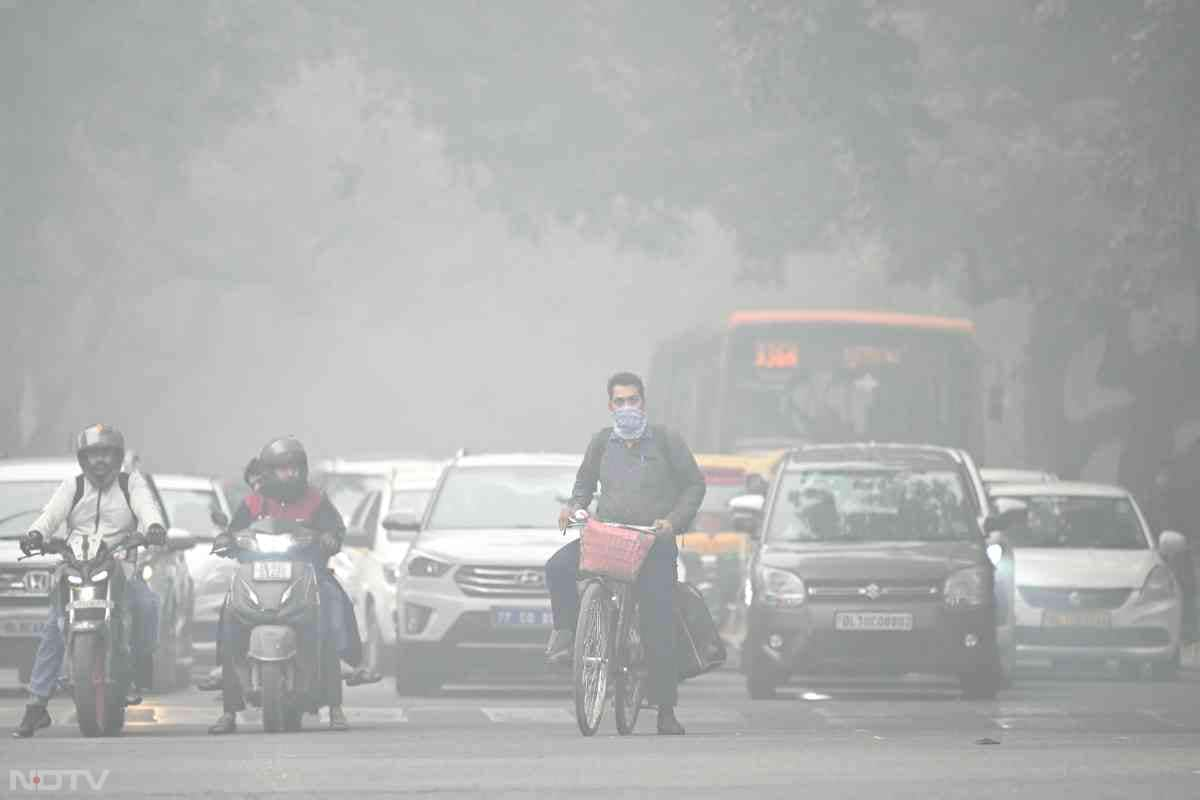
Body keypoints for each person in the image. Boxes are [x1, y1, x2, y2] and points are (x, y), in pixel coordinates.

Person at [545, 372, 705, 736]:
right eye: (620, 402)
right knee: (557, 567)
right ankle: (568, 636)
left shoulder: (666, 441)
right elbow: (584, 482)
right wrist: (575, 506)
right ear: (610, 406)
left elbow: (695, 484)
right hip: (609, 538)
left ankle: (665, 710)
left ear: (643, 403)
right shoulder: (602, 443)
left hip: (653, 543)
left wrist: (674, 521)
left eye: (633, 400)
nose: (627, 408)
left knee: (658, 623)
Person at [207, 437, 378, 735]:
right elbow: (234, 530)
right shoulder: (253, 501)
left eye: (296, 468)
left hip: (308, 572)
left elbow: (335, 528)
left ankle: (337, 701)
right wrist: (226, 540)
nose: (292, 475)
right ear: (269, 472)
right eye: (284, 469)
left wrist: (330, 539)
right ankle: (228, 705)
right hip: (256, 574)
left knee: (332, 603)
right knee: (230, 610)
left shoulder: (316, 499)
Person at [12, 425, 167, 738]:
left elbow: (148, 508)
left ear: (117, 457)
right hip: (75, 566)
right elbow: (50, 515)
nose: (100, 461)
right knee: (55, 626)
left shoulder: (130, 483)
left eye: (106, 454)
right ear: (83, 459)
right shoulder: (73, 485)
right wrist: (36, 534)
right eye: (93, 454)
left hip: (120, 564)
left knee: (147, 604)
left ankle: (139, 666)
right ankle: (37, 705)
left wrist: (153, 527)